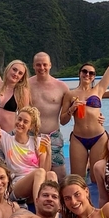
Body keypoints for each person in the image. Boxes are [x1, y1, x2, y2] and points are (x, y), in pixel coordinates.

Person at [59, 32, 109, 179]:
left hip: (98, 137)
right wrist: (71, 110)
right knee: (77, 177)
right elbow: (62, 121)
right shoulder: (69, 94)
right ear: (79, 73)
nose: (88, 75)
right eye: (85, 72)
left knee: (96, 176)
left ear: (94, 77)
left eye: (91, 73)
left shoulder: (98, 90)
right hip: (78, 137)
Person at [0, 106, 56, 200]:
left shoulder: (38, 142)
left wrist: (49, 152)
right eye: (19, 119)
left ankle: (55, 213)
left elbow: (45, 170)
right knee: (40, 172)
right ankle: (39, 209)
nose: (20, 123)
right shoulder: (7, 140)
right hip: (18, 185)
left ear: (30, 126)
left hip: (38, 182)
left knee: (52, 174)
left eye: (25, 122)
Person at [29, 52, 71, 180]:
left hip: (53, 136)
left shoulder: (62, 87)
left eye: (44, 64)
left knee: (60, 175)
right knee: (33, 172)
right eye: (38, 65)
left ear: (50, 65)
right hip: (32, 136)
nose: (42, 68)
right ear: (33, 66)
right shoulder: (26, 85)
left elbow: (65, 119)